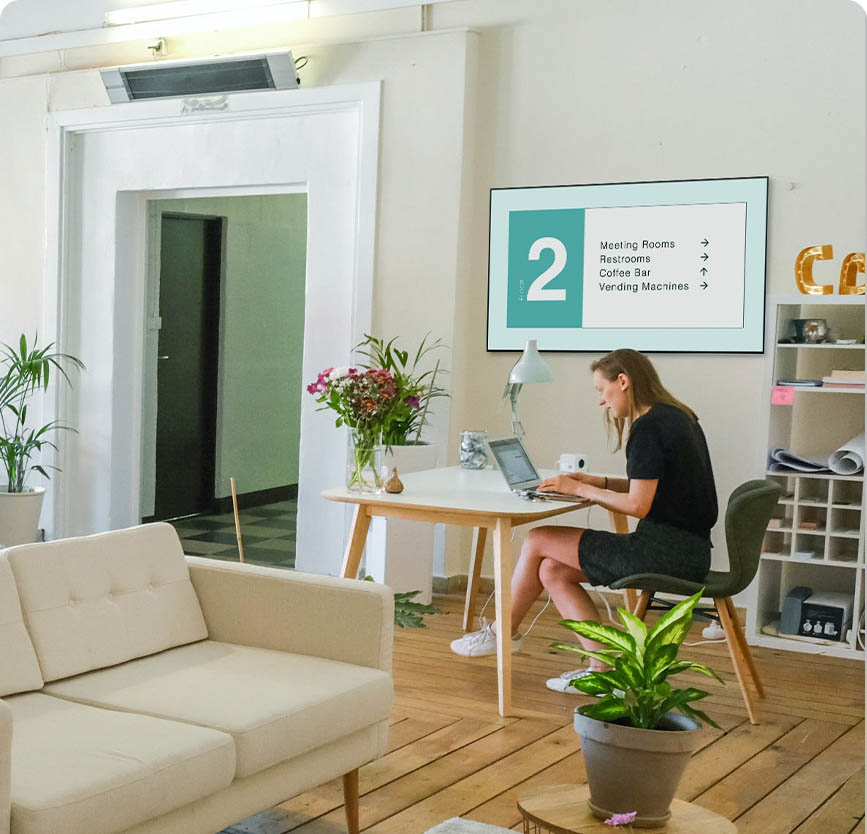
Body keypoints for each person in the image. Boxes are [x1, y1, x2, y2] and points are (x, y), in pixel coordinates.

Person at [449, 348, 718, 692]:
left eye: (600, 390)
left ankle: (503, 633)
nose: (600, 402)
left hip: (664, 552)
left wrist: (580, 489)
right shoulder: (677, 417)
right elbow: (653, 490)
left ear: (623, 382)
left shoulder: (648, 428)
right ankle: (602, 669)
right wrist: (597, 483)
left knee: (537, 539)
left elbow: (637, 506)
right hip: (688, 549)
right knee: (551, 570)